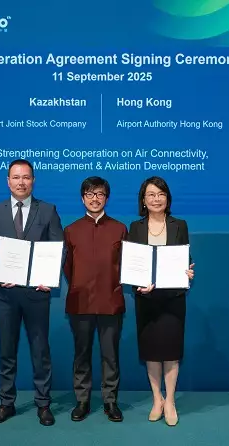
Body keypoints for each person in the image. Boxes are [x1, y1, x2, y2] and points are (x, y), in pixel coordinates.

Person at [0, 159, 63, 426]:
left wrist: (49, 277)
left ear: (33, 180)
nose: (21, 182)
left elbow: (59, 249)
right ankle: (6, 403)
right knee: (7, 350)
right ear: (8, 181)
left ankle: (43, 404)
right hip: (6, 295)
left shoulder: (48, 210)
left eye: (26, 177)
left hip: (37, 293)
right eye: (16, 177)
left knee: (40, 350)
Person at [126, 176, 194, 427]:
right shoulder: (135, 227)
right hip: (146, 299)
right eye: (151, 195)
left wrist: (188, 272)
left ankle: (171, 400)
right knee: (152, 352)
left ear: (168, 198)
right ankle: (157, 399)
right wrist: (137, 283)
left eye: (161, 194)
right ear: (143, 200)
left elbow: (185, 257)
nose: (156, 199)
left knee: (171, 352)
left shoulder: (180, 225)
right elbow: (131, 263)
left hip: (173, 299)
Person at [62, 176, 128, 422]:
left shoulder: (120, 229)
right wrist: (80, 285)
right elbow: (67, 267)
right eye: (89, 194)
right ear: (82, 199)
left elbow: (127, 265)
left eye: (100, 194)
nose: (95, 199)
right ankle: (82, 400)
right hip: (80, 302)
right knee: (82, 353)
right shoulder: (71, 230)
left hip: (111, 302)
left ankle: (111, 401)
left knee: (110, 354)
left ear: (106, 198)